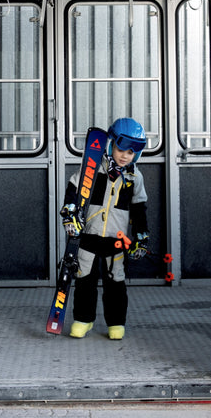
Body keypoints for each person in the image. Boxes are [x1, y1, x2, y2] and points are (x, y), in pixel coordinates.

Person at [60, 117, 149, 340]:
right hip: (88, 236)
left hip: (115, 240)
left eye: (130, 152)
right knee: (84, 280)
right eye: (121, 149)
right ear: (110, 144)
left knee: (116, 283)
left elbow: (139, 209)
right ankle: (84, 319)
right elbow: (73, 189)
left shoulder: (134, 177)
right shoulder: (92, 168)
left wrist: (140, 237)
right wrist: (70, 213)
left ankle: (116, 323)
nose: (124, 155)